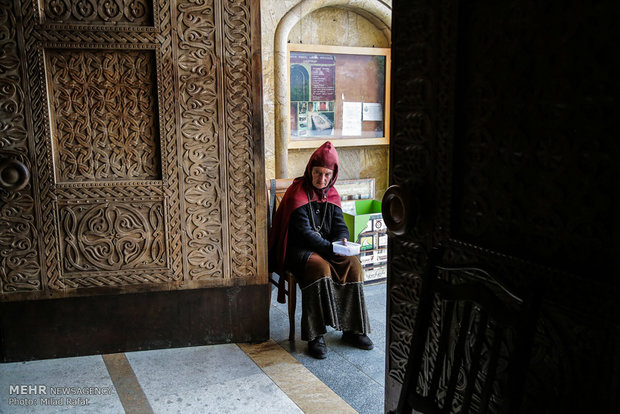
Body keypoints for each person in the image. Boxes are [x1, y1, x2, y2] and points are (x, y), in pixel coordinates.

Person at [268, 141, 372, 359]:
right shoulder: (297, 193)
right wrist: (330, 249)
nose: (321, 179)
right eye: (317, 173)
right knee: (319, 267)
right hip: (298, 251)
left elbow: (339, 225)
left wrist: (342, 242)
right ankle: (316, 336)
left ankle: (352, 329)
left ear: (333, 175)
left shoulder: (331, 193)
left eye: (327, 174)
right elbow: (304, 233)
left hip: (326, 247)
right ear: (310, 170)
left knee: (353, 264)